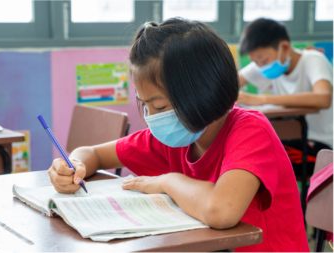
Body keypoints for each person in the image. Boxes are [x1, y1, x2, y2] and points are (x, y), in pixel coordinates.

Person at [47, 18, 309, 251]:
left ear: (202, 93)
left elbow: (221, 211)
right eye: (146, 106)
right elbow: (93, 153)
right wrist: (74, 167)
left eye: (159, 107)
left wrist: (166, 182)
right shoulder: (177, 135)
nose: (153, 118)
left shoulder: (250, 131)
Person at [237, 18, 333, 175]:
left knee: (255, 159)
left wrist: (261, 100)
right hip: (291, 140)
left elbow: (323, 98)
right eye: (255, 62)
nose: (260, 67)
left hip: (321, 146)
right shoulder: (268, 64)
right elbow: (230, 85)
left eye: (263, 60)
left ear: (285, 47)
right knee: (245, 153)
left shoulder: (313, 60)